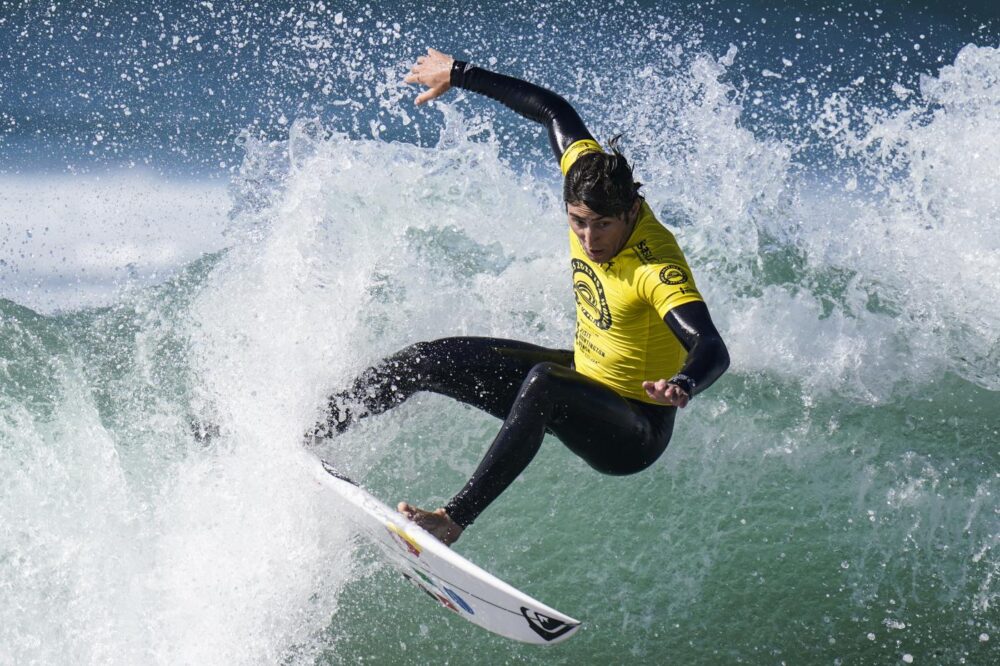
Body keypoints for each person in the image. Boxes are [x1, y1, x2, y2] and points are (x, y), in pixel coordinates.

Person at [312, 48, 730, 546]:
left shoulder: (654, 266)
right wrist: (460, 74)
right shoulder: (586, 172)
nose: (589, 240)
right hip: (584, 380)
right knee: (425, 359)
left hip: (634, 430)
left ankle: (451, 520)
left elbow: (711, 345)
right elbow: (552, 109)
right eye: (578, 222)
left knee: (545, 383)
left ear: (631, 209)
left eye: (603, 226)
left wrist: (684, 382)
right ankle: (309, 432)